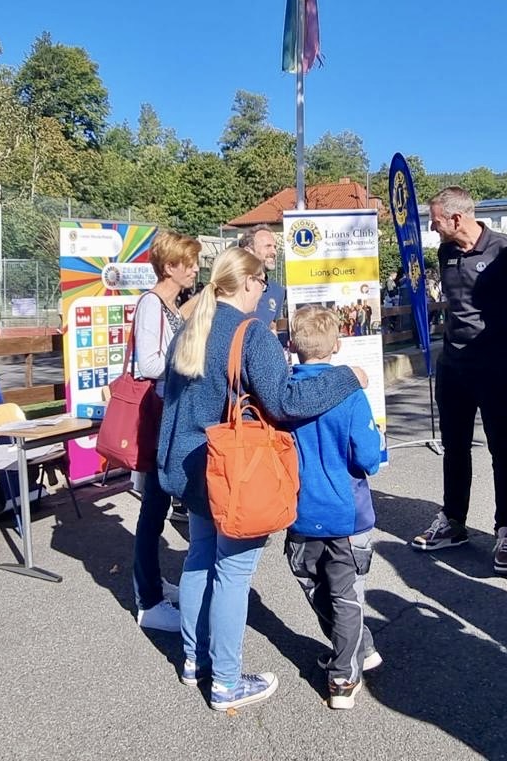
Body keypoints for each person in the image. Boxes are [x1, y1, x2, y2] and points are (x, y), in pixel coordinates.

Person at [158, 247, 368, 711]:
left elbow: (163, 393)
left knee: (198, 559)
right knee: (232, 573)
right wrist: (347, 378)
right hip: (233, 471)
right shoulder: (251, 335)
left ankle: (195, 661)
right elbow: (285, 401)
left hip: (189, 465)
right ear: (250, 283)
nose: (265, 291)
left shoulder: (189, 328)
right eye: (263, 282)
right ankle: (227, 682)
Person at [411, 186, 507, 574]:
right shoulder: (446, 251)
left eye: (435, 220)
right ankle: (453, 522)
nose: (432, 228)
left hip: (496, 365)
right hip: (453, 365)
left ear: (456, 218)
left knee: (503, 448)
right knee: (455, 447)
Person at [283, 306, 383, 710]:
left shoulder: (284, 395)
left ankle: (354, 651)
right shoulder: (350, 395)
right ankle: (345, 672)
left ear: (291, 346)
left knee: (313, 584)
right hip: (348, 511)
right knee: (346, 593)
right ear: (337, 344)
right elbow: (369, 457)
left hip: (300, 511)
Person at [131, 231, 201, 633]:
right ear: (169, 267)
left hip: (167, 410)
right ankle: (148, 601)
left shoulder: (168, 305)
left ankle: (152, 586)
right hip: (157, 413)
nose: (193, 269)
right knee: (152, 507)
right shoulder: (150, 305)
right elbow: (149, 363)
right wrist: (187, 359)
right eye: (187, 263)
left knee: (156, 507)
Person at [238, 225, 284, 329]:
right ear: (248, 251)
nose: (274, 252)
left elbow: (272, 326)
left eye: (275, 247)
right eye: (268, 246)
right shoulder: (232, 286)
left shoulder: (278, 291)